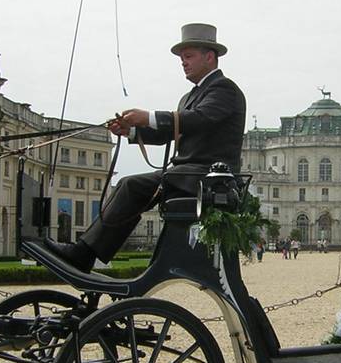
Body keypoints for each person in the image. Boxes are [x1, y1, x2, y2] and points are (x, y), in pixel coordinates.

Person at [44, 23, 246, 272]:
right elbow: (173, 130)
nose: (183, 62)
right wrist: (130, 131)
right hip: (187, 175)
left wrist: (147, 116)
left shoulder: (224, 89)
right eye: (182, 58)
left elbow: (199, 119)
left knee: (131, 185)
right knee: (130, 186)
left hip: (207, 178)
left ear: (210, 57)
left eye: (189, 56)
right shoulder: (190, 96)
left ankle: (84, 254)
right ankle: (88, 253)